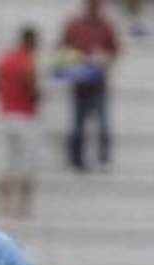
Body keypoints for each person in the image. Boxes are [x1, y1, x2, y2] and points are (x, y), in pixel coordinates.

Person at [59, 0, 120, 171]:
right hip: (80, 82)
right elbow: (62, 48)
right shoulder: (74, 25)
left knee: (104, 124)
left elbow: (115, 50)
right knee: (78, 124)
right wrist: (77, 59)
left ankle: (103, 159)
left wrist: (104, 58)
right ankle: (76, 159)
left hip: (99, 82)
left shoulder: (107, 26)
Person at [0, 26, 42, 218]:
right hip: (25, 116)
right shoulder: (29, 62)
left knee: (4, 161)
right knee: (26, 163)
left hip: (4, 114)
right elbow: (33, 89)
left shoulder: (4, 59)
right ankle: (23, 208)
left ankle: (3, 207)